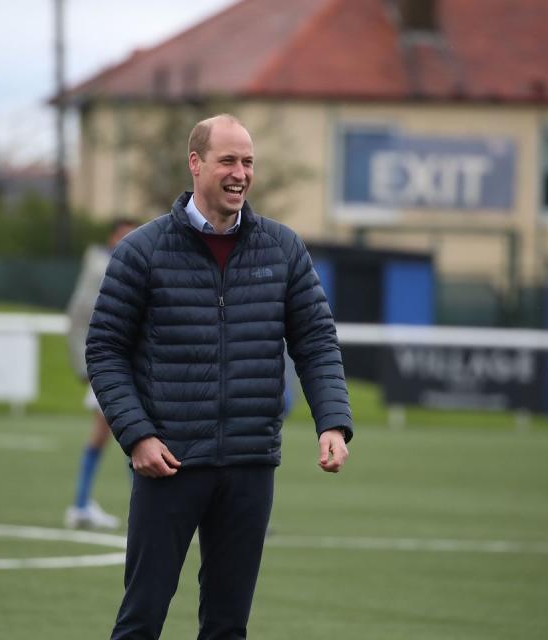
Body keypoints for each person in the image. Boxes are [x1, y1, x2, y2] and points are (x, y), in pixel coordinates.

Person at [87, 114, 353, 639]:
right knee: (141, 620)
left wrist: (333, 423)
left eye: (248, 162)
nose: (240, 173)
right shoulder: (143, 250)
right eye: (228, 160)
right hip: (169, 463)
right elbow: (105, 350)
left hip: (250, 464)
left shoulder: (282, 248)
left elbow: (317, 342)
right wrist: (137, 436)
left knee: (228, 627)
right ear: (195, 164)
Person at [63, 218, 138, 529]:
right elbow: (79, 314)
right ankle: (81, 504)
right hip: (111, 363)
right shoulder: (101, 269)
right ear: (112, 239)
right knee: (124, 432)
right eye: (123, 236)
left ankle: (82, 504)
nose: (128, 242)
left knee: (123, 433)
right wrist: (85, 364)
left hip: (134, 363)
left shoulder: (139, 265)